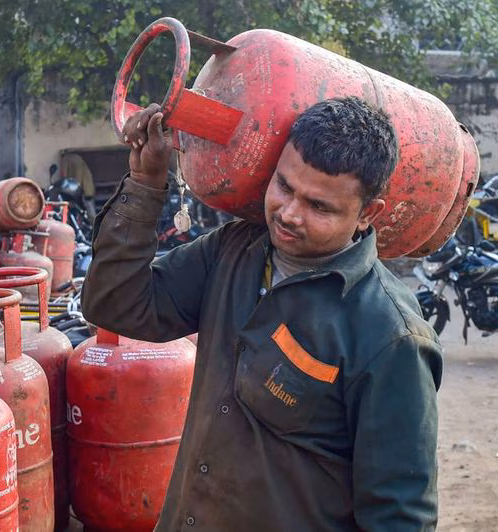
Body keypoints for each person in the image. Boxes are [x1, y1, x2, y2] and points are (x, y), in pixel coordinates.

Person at [81, 96, 443, 531]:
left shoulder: (391, 338)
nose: (289, 214)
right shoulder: (234, 251)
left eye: (319, 206)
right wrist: (144, 183)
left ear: (368, 214)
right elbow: (115, 305)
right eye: (285, 187)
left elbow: (399, 518)